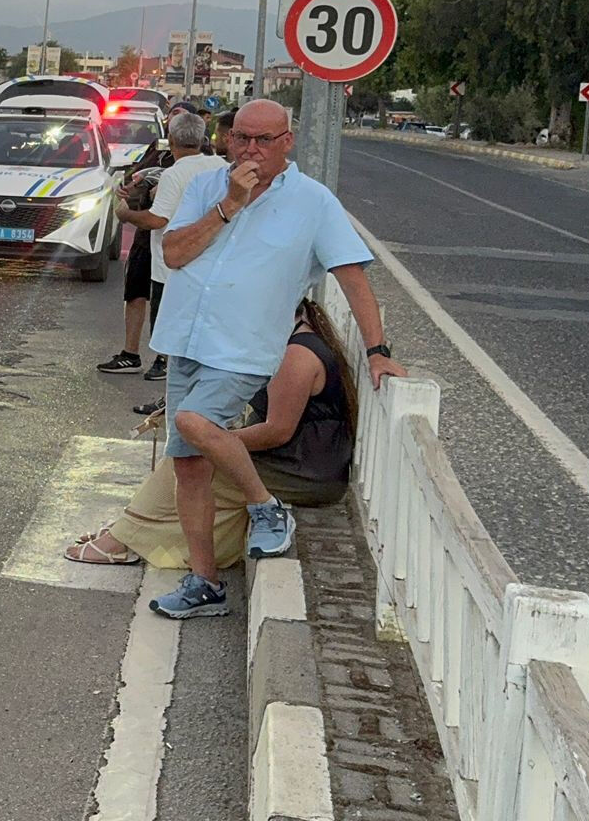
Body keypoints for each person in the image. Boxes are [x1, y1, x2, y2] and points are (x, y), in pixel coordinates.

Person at [146, 99, 402, 619]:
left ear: (287, 142)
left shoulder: (314, 202)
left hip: (244, 348)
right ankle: (205, 584)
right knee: (189, 465)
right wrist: (229, 205)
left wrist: (377, 351)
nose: (250, 149)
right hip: (185, 338)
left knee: (195, 422)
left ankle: (266, 507)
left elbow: (352, 278)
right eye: (241, 137)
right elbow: (173, 254)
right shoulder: (207, 186)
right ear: (227, 138)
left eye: (263, 140)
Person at [67, 296, 356, 568]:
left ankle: (123, 538)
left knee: (189, 460)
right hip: (295, 460)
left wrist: (216, 440)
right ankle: (129, 531)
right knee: (188, 458)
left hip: (305, 472)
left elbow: (277, 432)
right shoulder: (289, 340)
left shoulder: (296, 356)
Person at [102, 112, 211, 378]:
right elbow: (137, 176)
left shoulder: (198, 166)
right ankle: (134, 355)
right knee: (138, 292)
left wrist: (125, 214)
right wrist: (136, 185)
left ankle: (165, 364)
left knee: (166, 307)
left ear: (172, 138)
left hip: (169, 244)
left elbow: (156, 218)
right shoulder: (161, 152)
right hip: (156, 241)